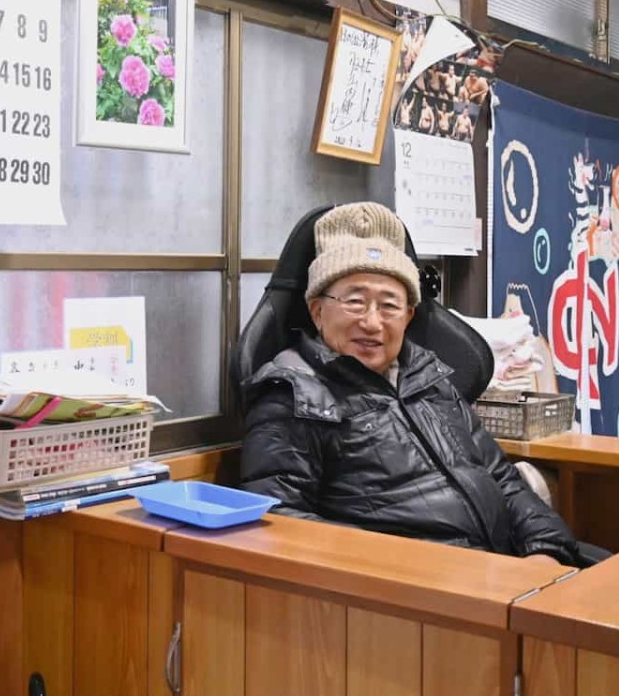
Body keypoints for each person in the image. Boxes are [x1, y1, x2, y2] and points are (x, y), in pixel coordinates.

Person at [240, 202, 586, 566]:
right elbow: (281, 524)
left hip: (502, 573)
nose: (372, 322)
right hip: (414, 598)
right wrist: (425, 575)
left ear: (409, 316)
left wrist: (546, 552)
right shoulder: (293, 395)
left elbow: (502, 479)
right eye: (354, 302)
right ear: (317, 311)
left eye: (389, 306)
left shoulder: (431, 378)